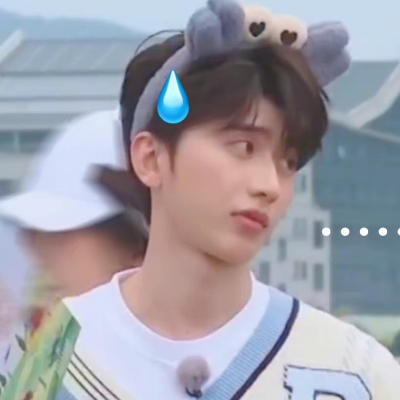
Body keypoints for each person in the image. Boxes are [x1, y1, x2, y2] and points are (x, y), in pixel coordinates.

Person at [2, 2, 399, 400]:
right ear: (150, 158)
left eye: (288, 161)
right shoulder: (39, 357)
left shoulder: (355, 372)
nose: (270, 186)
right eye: (244, 147)